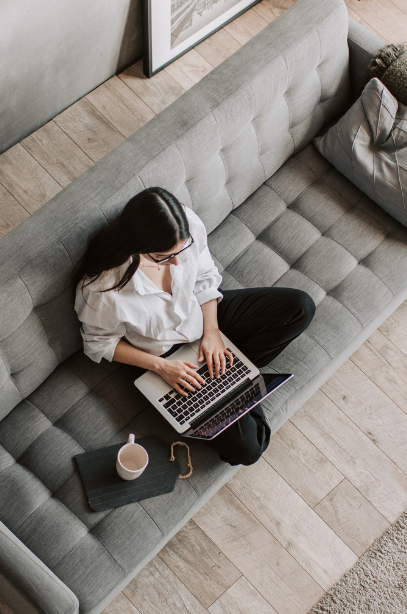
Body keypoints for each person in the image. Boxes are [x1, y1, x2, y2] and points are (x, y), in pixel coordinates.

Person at [73, 187, 315, 466]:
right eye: (164, 257)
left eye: (182, 250)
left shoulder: (185, 225)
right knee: (249, 448)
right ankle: (233, 382)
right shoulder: (102, 288)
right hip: (161, 356)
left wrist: (212, 332)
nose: (176, 262)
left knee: (300, 307)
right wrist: (161, 367)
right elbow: (99, 344)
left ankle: (230, 379)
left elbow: (204, 276)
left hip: (203, 317)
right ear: (136, 246)